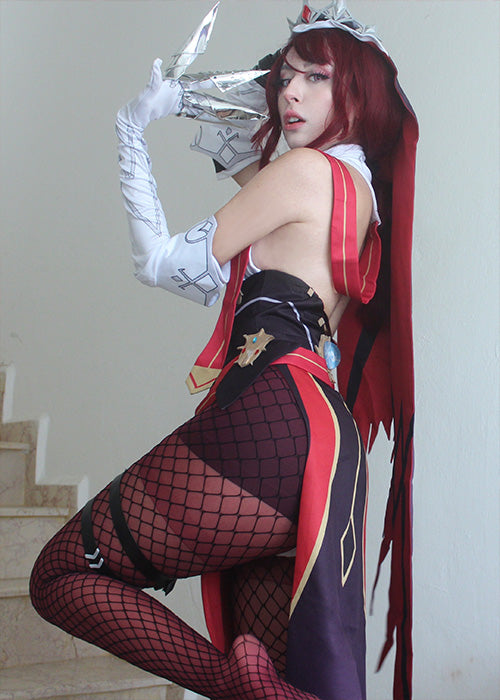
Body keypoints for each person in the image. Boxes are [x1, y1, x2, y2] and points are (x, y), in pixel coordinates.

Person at [30, 3, 418, 699]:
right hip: (319, 441)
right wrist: (201, 108)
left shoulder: (303, 172)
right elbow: (258, 203)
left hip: (267, 420)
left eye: (316, 78)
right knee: (286, 673)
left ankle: (238, 681)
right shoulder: (355, 189)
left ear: (357, 91)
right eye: (285, 77)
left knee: (61, 574)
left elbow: (162, 264)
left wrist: (132, 128)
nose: (291, 92)